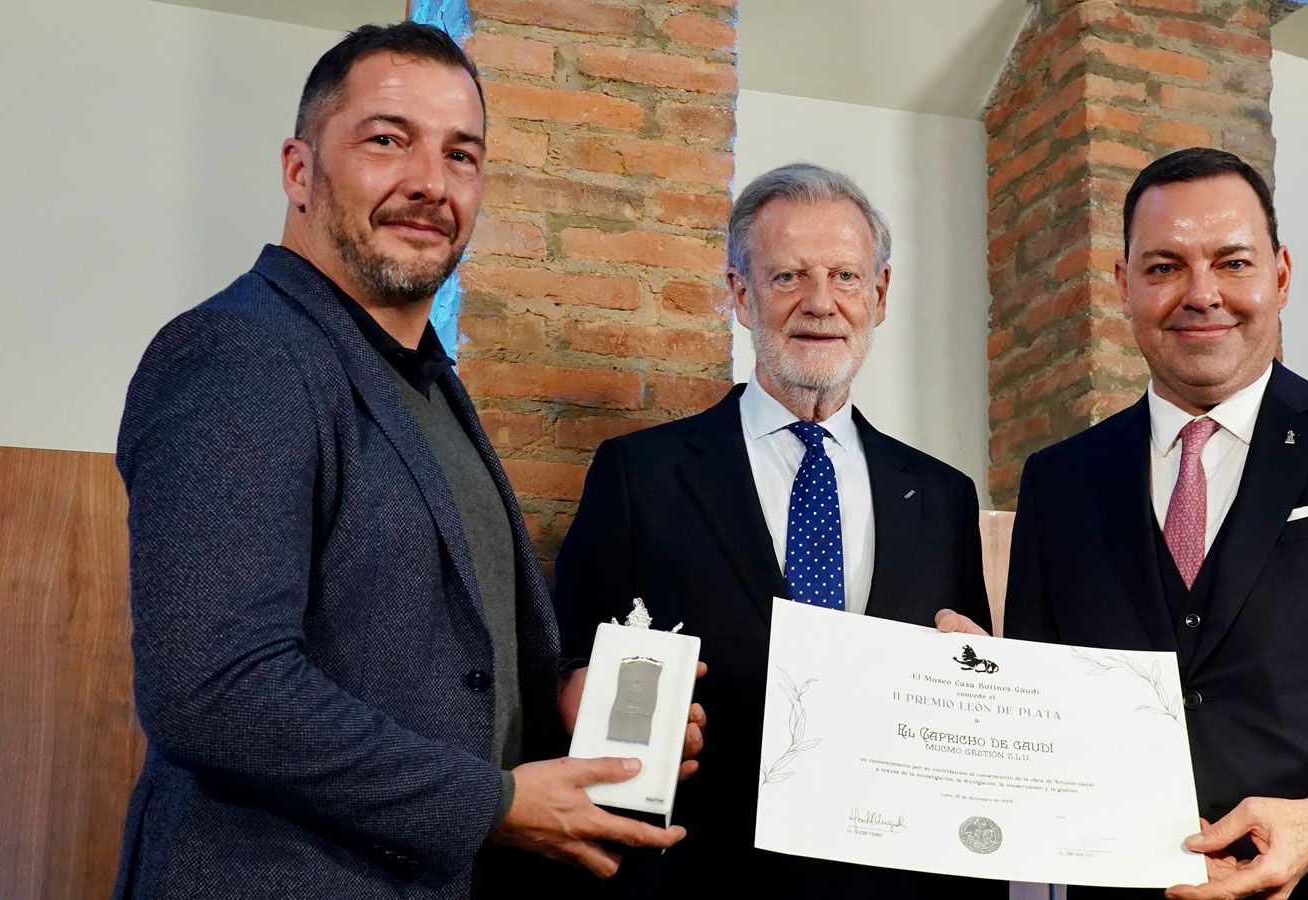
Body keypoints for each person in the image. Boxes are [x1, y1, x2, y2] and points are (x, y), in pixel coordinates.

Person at [114, 23, 699, 898]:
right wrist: (495, 802)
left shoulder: (424, 384)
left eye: (462, 155)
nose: (431, 183)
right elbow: (217, 688)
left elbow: (428, 662)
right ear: (300, 170)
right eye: (388, 141)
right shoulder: (240, 351)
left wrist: (554, 703)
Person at [947, 147, 1308, 899]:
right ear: (1123, 285)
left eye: (1232, 262)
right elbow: (1057, 713)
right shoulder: (1059, 479)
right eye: (1165, 266)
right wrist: (992, 692)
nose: (1201, 294)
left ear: (1280, 274)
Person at [553, 162, 1004, 898]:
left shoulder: (943, 496)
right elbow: (568, 664)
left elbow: (968, 687)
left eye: (846, 277)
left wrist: (982, 679)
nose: (820, 303)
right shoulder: (641, 474)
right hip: (694, 874)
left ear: (880, 295)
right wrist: (585, 696)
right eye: (788, 276)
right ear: (740, 293)